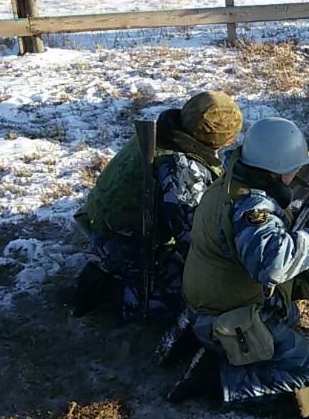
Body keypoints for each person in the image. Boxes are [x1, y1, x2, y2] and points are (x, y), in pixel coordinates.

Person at [168, 117, 309, 413]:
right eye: (293, 169)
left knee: (291, 314)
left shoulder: (228, 183)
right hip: (227, 321)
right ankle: (220, 381)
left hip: (210, 306)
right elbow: (272, 265)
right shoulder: (252, 207)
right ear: (276, 170)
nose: (298, 173)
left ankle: (223, 350)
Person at [73, 91, 243, 321]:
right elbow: (194, 239)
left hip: (107, 221)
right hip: (123, 240)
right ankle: (113, 291)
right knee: (195, 300)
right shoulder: (180, 167)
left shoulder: (162, 133)